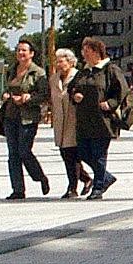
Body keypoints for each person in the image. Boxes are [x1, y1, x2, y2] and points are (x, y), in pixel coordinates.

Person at [67, 36, 127, 199]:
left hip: (102, 120)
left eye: (87, 51)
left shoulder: (110, 70)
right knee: (83, 153)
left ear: (96, 52)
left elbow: (122, 90)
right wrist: (75, 95)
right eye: (83, 51)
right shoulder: (83, 72)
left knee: (99, 155)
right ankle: (106, 177)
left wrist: (111, 103)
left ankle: (98, 187)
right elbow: (71, 89)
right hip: (84, 120)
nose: (83, 54)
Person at [0, 40, 51, 201]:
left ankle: (40, 177)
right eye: (18, 50)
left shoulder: (38, 73)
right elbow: (7, 89)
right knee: (13, 154)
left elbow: (44, 95)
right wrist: (6, 95)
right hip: (10, 116)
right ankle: (18, 190)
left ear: (31, 53)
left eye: (24, 51)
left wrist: (29, 98)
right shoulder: (12, 70)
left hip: (28, 117)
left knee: (24, 151)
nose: (20, 53)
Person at [49, 47, 87, 196]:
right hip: (60, 122)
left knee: (72, 154)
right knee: (66, 154)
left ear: (70, 62)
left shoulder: (79, 76)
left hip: (74, 120)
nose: (58, 64)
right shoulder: (54, 79)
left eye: (61, 61)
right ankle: (86, 179)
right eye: (57, 61)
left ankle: (72, 188)